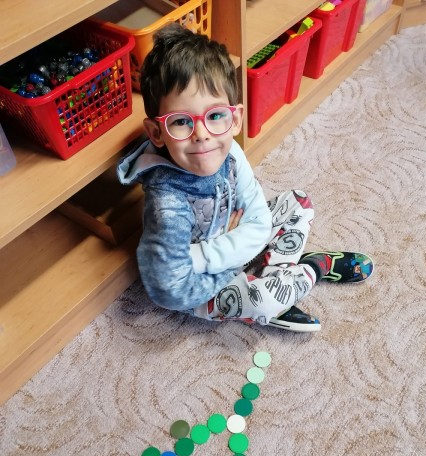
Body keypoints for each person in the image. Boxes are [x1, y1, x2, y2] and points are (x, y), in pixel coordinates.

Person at [117, 23, 373, 332]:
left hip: (227, 246)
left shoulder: (228, 151)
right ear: (157, 132)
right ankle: (311, 269)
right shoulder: (168, 206)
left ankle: (271, 281)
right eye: (181, 121)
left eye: (215, 116)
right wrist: (232, 263)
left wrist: (221, 247)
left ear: (235, 118)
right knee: (265, 300)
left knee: (300, 203)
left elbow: (260, 220)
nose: (202, 134)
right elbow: (169, 290)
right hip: (204, 288)